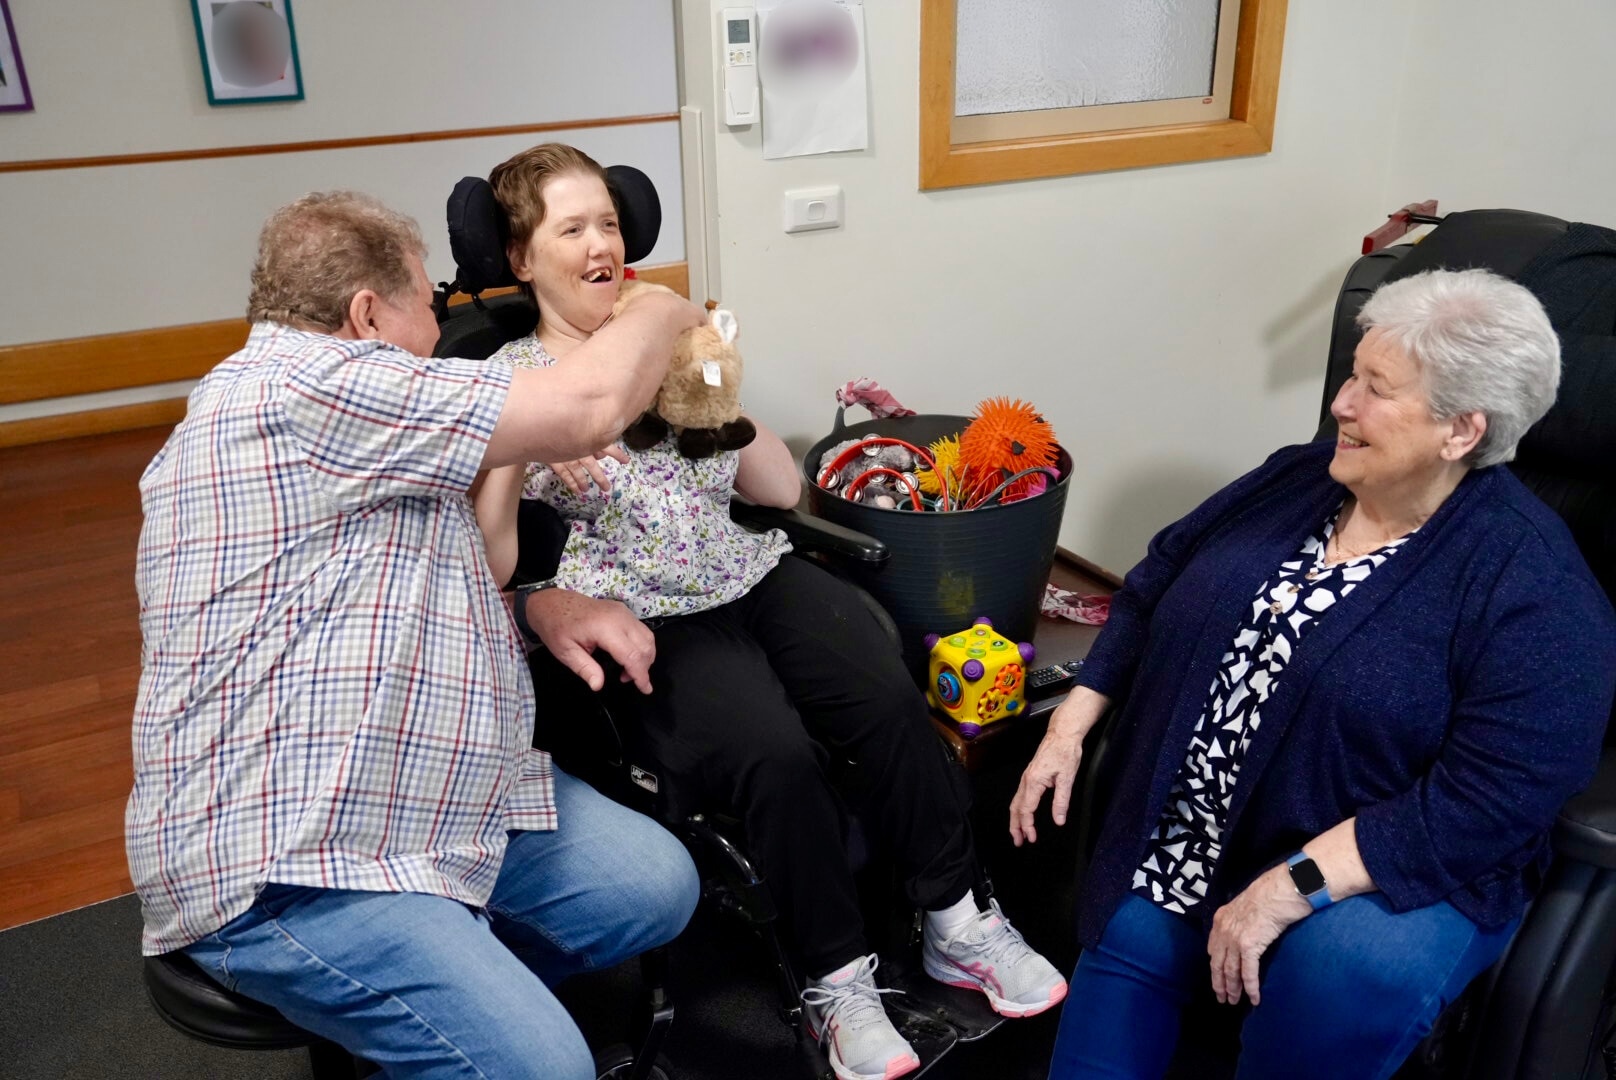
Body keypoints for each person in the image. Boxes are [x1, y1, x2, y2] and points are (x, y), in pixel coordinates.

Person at [480, 143, 1067, 1080]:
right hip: (642, 613)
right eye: (572, 228)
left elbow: (778, 486)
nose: (602, 244)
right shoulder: (510, 381)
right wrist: (520, 440)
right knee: (773, 753)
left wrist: (717, 390)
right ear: (521, 259)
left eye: (610, 223)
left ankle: (958, 916)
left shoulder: (669, 344)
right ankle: (837, 978)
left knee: (884, 701)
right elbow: (494, 559)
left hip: (752, 570)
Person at [126, 191, 710, 1080]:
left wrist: (537, 607)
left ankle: (432, 1005)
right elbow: (589, 403)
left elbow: (414, 581)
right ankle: (443, 1014)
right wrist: (660, 304)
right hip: (298, 851)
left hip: (431, 800)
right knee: (548, 1067)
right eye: (425, 308)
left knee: (653, 886)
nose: (438, 333)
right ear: (366, 315)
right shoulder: (308, 384)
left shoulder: (347, 422)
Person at [1010, 267, 1616, 1079]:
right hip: (1195, 843)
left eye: (1375, 387)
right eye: (1350, 375)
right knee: (1112, 999)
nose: (1342, 403)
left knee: (1344, 973)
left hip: (1382, 868)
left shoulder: (1535, 586)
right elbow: (1157, 579)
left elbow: (1500, 793)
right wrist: (1070, 724)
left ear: (1461, 432)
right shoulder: (1298, 478)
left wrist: (1288, 887)